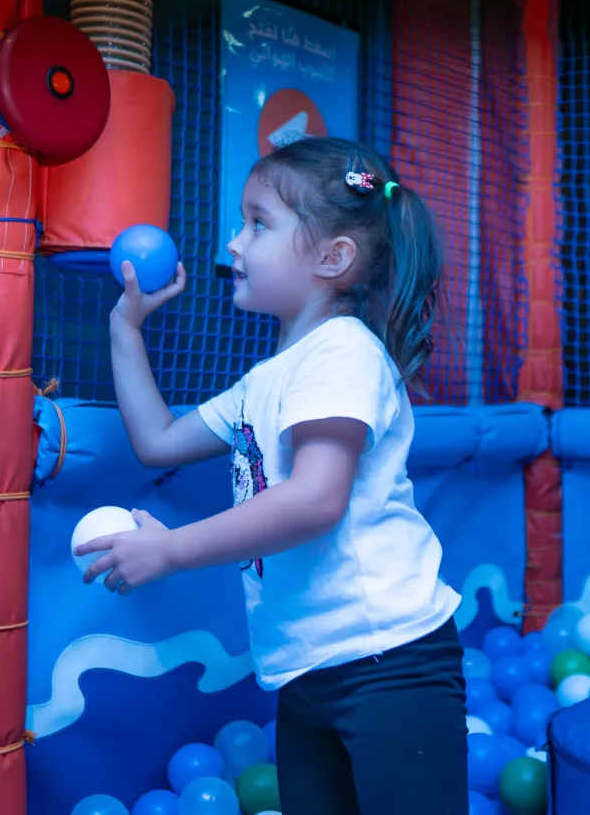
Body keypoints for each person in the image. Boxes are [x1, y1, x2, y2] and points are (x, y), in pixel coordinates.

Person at [76, 136, 468, 815]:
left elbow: (316, 499)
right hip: (309, 664)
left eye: (258, 224)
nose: (234, 243)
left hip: (389, 660)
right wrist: (125, 327)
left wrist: (169, 549)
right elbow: (158, 441)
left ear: (332, 258)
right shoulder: (268, 379)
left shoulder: (342, 352)